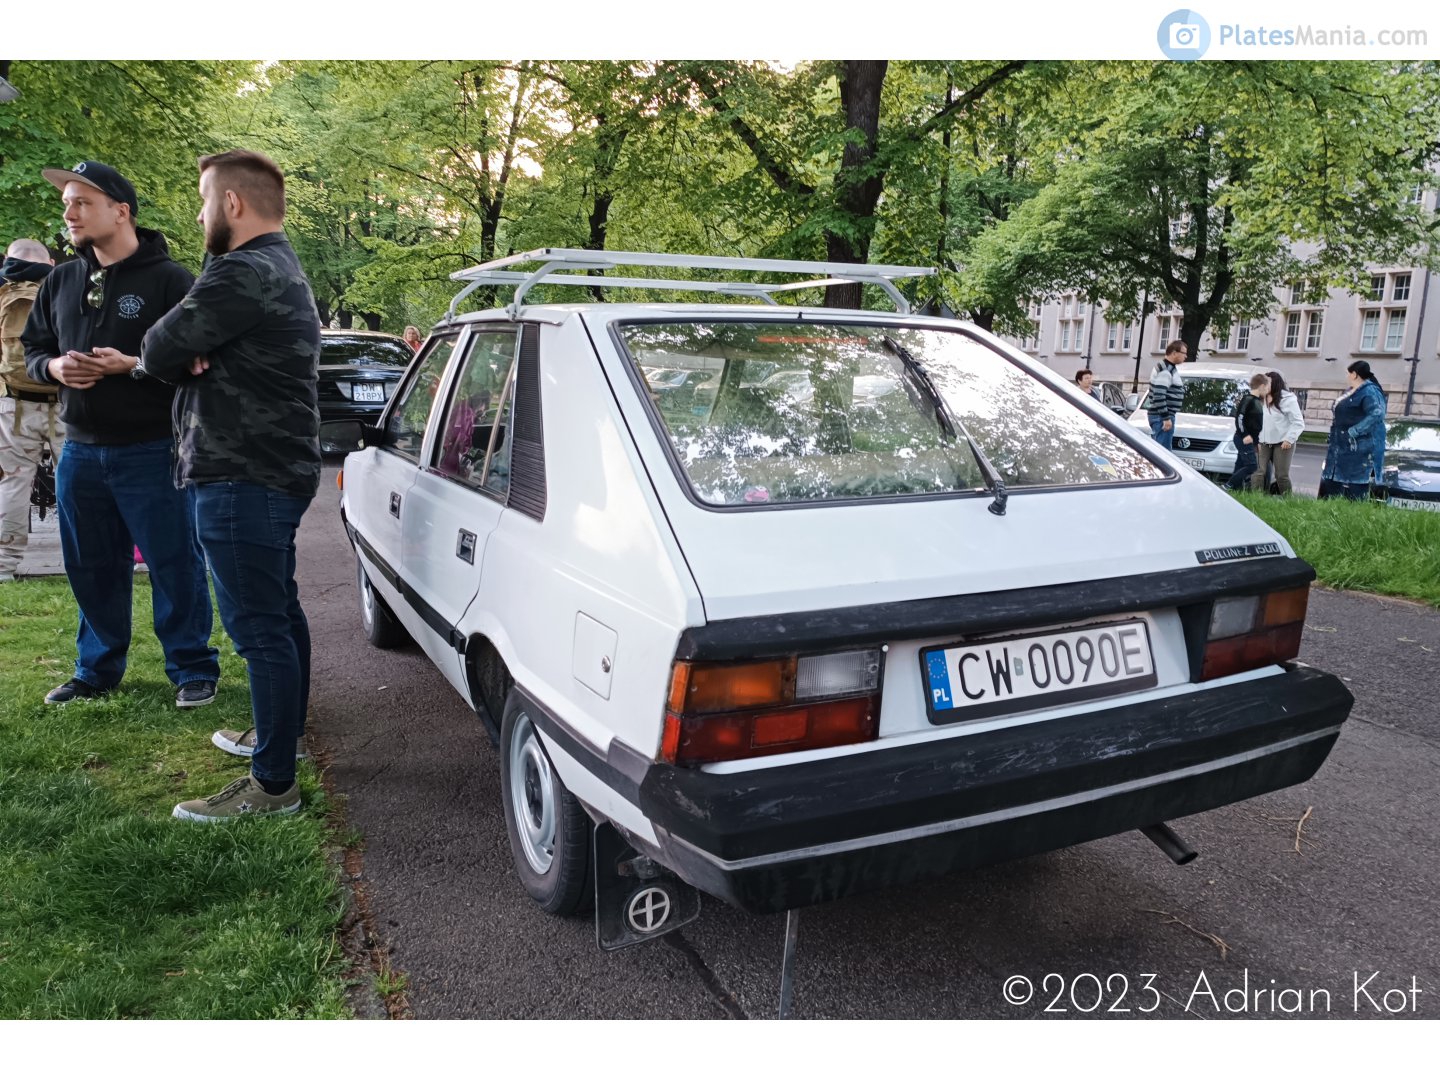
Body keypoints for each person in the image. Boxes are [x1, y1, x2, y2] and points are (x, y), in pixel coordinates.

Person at [139, 149, 322, 821]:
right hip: (262, 468)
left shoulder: (243, 271)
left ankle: (272, 784)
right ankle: (282, 742)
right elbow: (175, 349)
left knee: (259, 628)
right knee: (278, 612)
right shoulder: (273, 266)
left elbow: (158, 347)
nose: (196, 213)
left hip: (243, 471)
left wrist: (185, 354)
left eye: (203, 200)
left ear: (233, 205)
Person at [20, 161, 219, 706]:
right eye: (66, 202)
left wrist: (132, 363)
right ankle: (96, 668)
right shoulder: (60, 279)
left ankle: (193, 667)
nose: (69, 211)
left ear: (120, 210)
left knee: (173, 560)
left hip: (154, 449)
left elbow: (200, 362)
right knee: (91, 564)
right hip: (79, 451)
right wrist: (55, 369)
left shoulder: (172, 281)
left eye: (81, 201)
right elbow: (31, 352)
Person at [1, 239, 61, 582]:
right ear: (50, 262)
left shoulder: (2, 294)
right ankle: (87, 559)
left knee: (13, 483)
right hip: (65, 401)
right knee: (77, 485)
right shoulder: (65, 288)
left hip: (14, 402)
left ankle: (4, 566)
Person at [1320, 360, 1387, 500]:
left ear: (1355, 374)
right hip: (1339, 447)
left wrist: (1355, 431)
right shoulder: (1350, 391)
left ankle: (1351, 514)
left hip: (1357, 449)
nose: (1346, 376)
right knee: (1331, 484)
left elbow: (1377, 413)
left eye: (1348, 373)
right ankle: (1330, 512)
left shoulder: (1369, 391)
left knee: (1355, 489)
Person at [1250, 370, 1305, 495]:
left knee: (1281, 475)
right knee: (1258, 471)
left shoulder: (1288, 399)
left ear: (1274, 384)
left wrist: (1289, 439)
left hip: (1283, 443)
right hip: (1262, 442)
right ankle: (1256, 499)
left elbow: (1298, 422)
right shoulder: (1259, 398)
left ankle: (1288, 501)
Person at [1226, 373, 1268, 491]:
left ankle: (1235, 491)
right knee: (1251, 466)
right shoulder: (1248, 399)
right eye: (1267, 388)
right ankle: (1228, 485)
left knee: (1240, 464)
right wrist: (1244, 435)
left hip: (1250, 439)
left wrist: (1256, 441)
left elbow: (1255, 425)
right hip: (1242, 438)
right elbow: (1239, 417)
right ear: (1262, 386)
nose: (1267, 391)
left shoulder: (1257, 402)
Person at [1145, 340, 1188, 449]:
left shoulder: (1168, 368)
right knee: (1163, 453)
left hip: (1161, 416)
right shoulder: (1166, 370)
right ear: (1174, 353)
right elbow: (1159, 395)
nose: (1186, 356)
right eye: (1184, 353)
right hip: (1162, 417)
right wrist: (1166, 418)